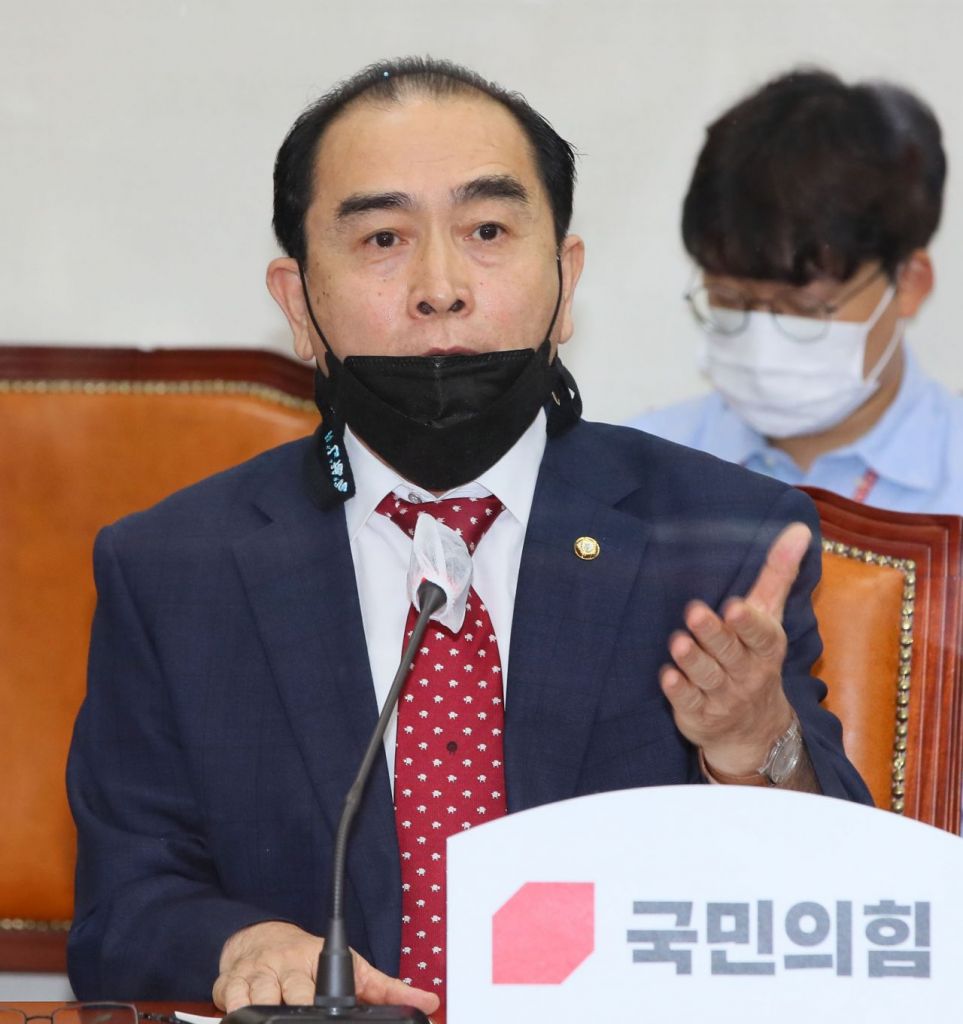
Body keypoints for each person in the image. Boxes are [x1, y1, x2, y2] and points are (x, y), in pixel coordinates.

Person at [66, 58, 870, 1020]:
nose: (439, 289)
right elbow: (121, 912)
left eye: (486, 232)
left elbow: (841, 908)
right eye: (382, 239)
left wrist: (753, 748)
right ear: (299, 304)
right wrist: (242, 944)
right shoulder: (174, 568)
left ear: (564, 282)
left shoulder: (718, 542)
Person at [630, 69, 963, 513]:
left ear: (908, 283)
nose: (761, 345)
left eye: (805, 308)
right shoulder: (637, 475)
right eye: (728, 300)